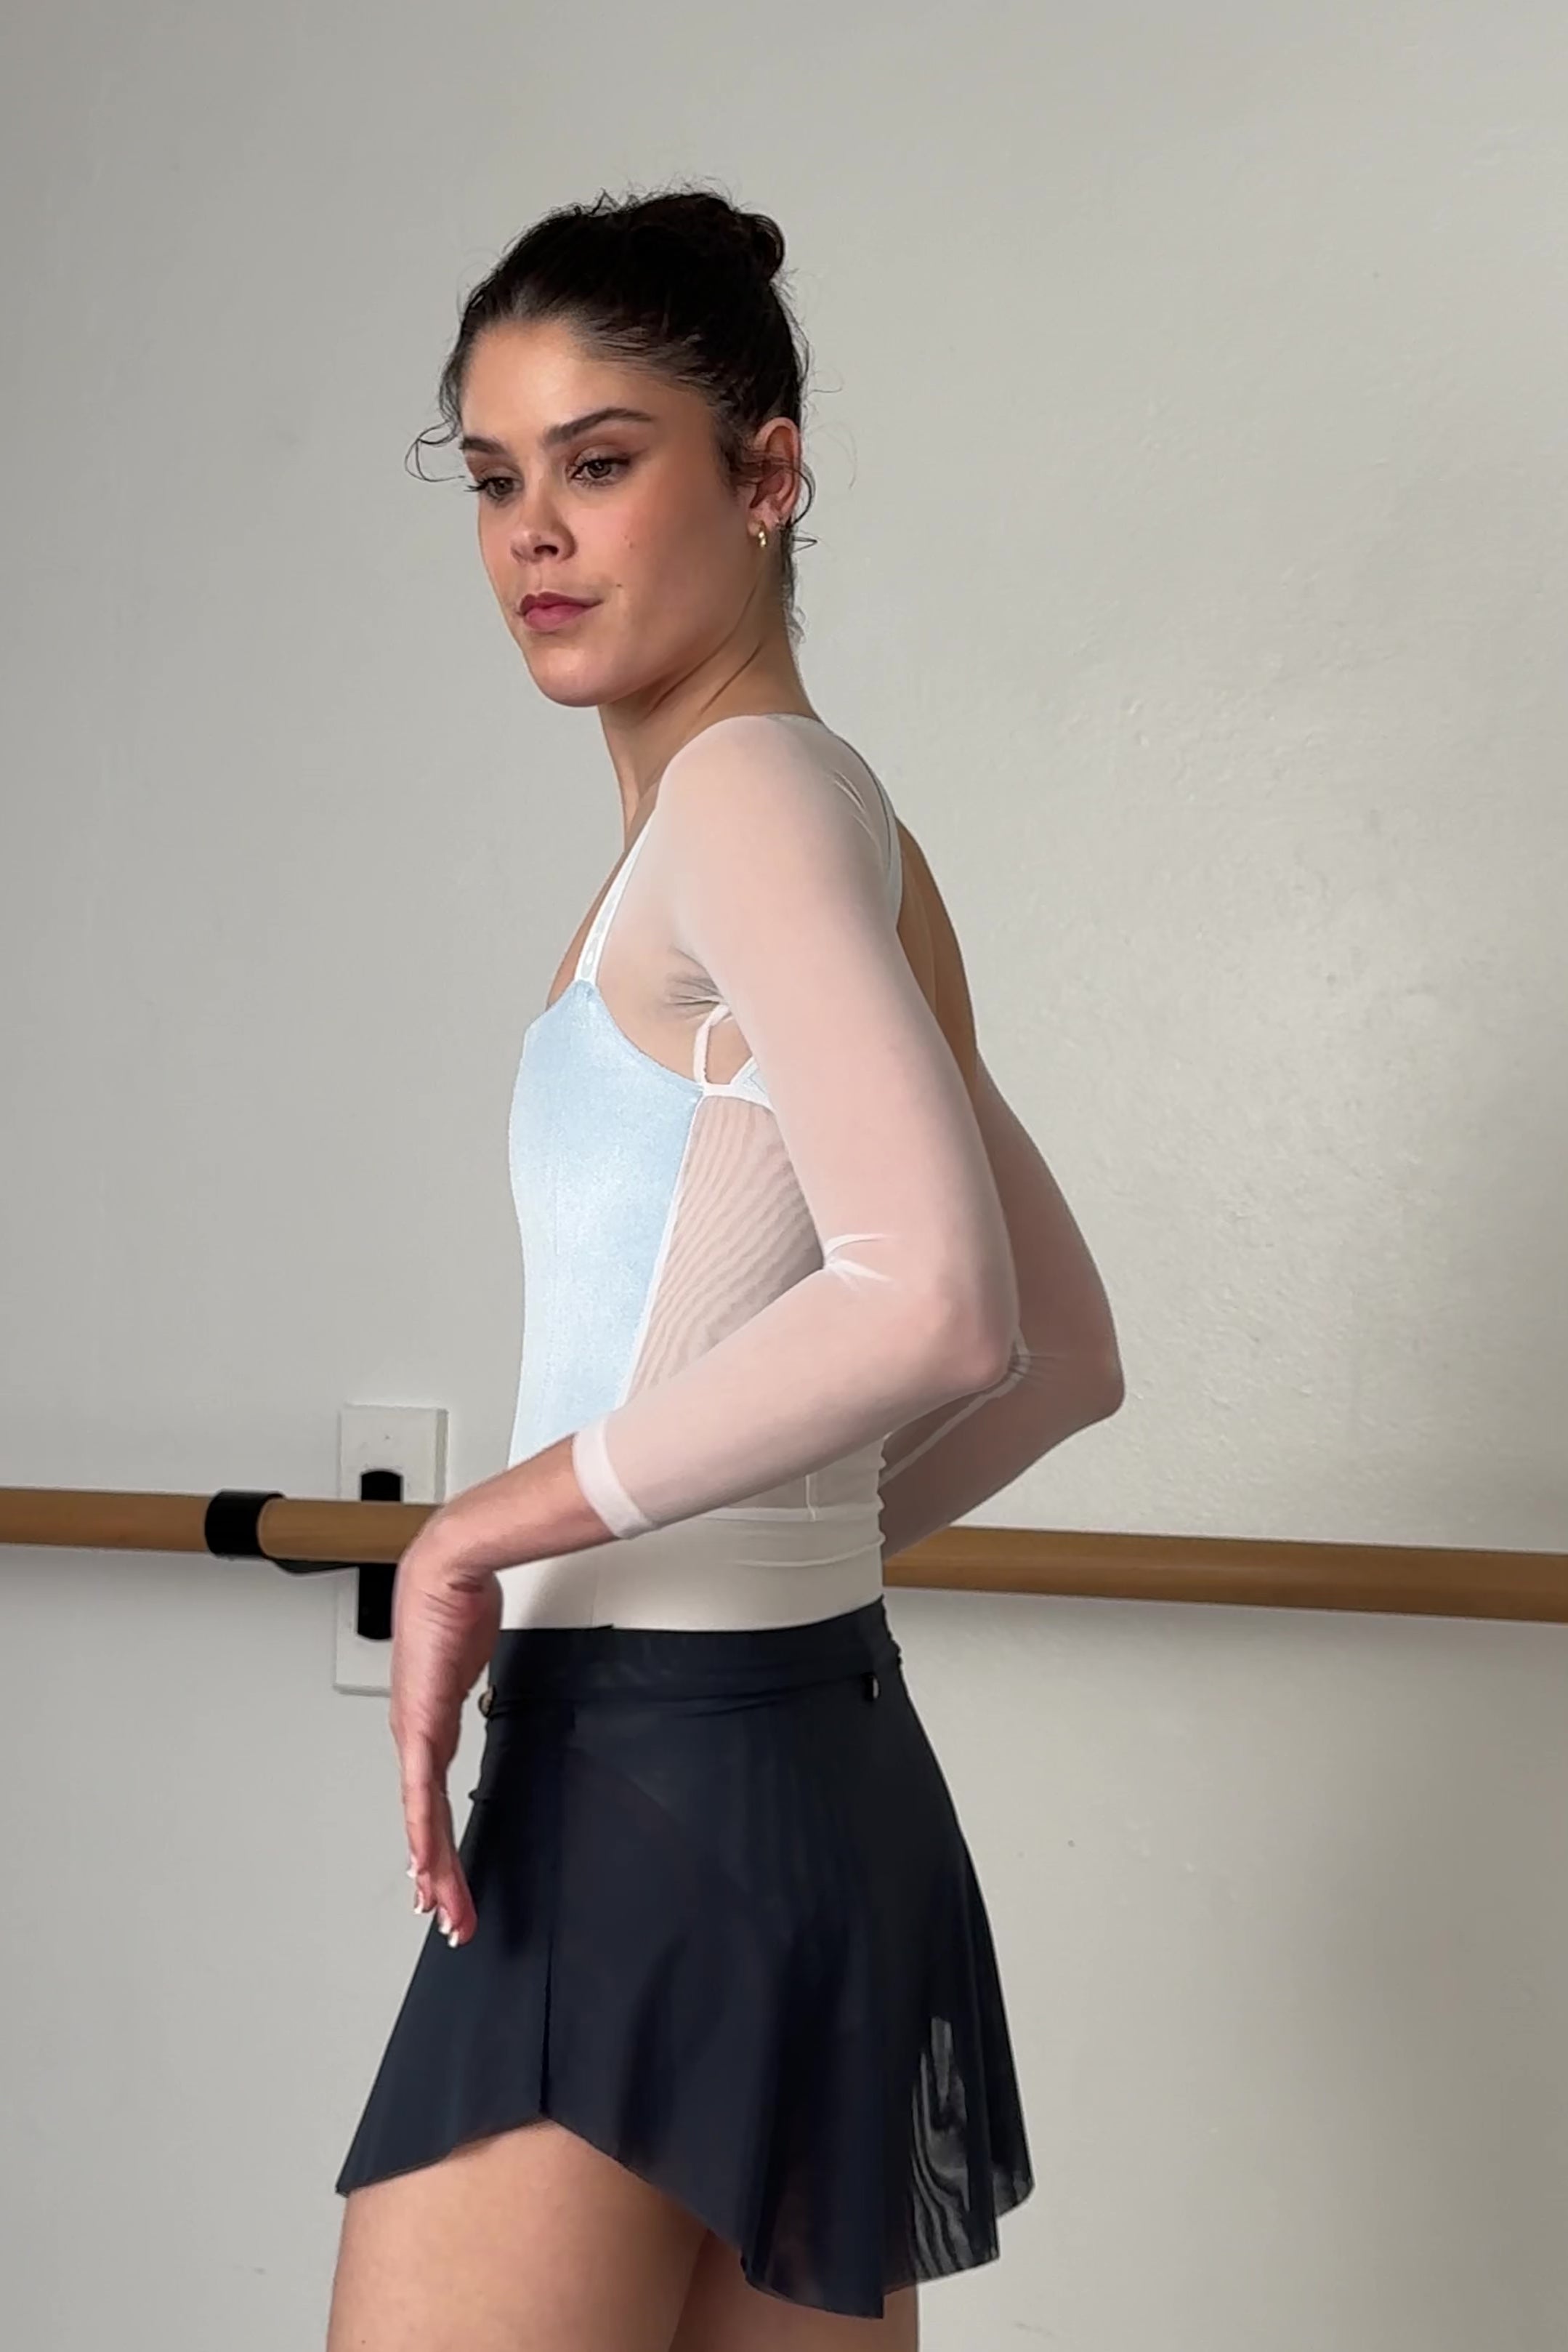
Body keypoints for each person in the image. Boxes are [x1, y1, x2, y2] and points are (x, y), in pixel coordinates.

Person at [326, 184, 1124, 2352]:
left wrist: (477, 1532)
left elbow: (946, 1306)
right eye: (494, 478)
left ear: (766, 476)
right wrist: (762, 1563)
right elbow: (1065, 1350)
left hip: (645, 1796)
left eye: (600, 463)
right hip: (819, 1784)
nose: (533, 533)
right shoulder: (840, 829)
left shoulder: (747, 802)